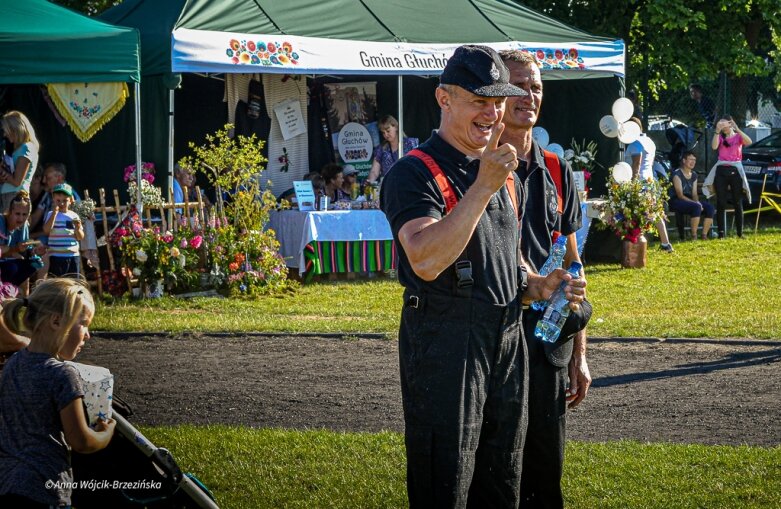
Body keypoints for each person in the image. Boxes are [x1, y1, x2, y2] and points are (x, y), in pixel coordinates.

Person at [380, 44, 585, 508]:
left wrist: (539, 286)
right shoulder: (415, 172)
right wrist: (482, 187)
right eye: (479, 100)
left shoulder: (499, 171)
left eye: (498, 101)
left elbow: (507, 265)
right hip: (446, 341)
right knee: (446, 482)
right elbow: (426, 259)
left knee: (502, 480)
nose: (492, 113)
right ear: (444, 99)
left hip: (507, 336)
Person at [499, 49, 593, 509]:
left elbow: (574, 266)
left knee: (544, 467)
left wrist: (580, 354)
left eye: (535, 86)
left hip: (548, 339)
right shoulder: (476, 165)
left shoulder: (557, 169)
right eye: (517, 85)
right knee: (494, 466)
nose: (528, 95)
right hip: (495, 335)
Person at [0, 279, 116, 507]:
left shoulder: (12, 364)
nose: (88, 335)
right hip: (45, 488)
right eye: (84, 324)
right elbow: (81, 441)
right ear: (56, 321)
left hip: (7, 484)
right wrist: (106, 433)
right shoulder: (62, 375)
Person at [624, 117, 675, 252]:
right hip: (650, 180)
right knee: (655, 212)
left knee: (636, 213)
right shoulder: (649, 141)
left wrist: (633, 185)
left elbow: (636, 164)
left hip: (639, 182)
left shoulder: (635, 142)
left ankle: (637, 244)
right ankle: (665, 243)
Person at [702, 116, 752, 238]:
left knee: (737, 201)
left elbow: (749, 142)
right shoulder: (719, 136)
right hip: (721, 170)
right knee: (721, 201)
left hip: (735, 169)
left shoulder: (738, 137)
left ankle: (740, 233)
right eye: (721, 124)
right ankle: (721, 233)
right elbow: (714, 147)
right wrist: (717, 131)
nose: (724, 126)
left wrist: (737, 129)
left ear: (730, 123)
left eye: (725, 124)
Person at [0, 191, 45, 287]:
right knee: (11, 267)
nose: (21, 218)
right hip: (5, 263)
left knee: (33, 265)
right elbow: (2, 250)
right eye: (17, 214)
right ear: (10, 211)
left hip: (7, 262)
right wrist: (15, 250)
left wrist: (35, 251)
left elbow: (25, 248)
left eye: (24, 215)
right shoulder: (1, 222)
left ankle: (10, 291)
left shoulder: (23, 225)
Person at [668, 151, 715, 240]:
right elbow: (680, 195)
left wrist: (697, 202)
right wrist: (696, 204)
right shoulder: (677, 174)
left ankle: (704, 235)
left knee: (710, 208)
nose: (693, 162)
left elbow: (694, 194)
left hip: (689, 200)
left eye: (694, 160)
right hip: (676, 201)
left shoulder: (694, 175)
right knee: (696, 207)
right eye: (690, 159)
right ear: (684, 161)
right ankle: (694, 236)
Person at [0, 111, 39, 213]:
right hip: (9, 195)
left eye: (6, 130)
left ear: (15, 129)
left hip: (16, 197)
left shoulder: (27, 147)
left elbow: (17, 181)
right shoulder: (18, 149)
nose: (4, 134)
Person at [43, 183, 84, 278]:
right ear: (53, 199)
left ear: (70, 200)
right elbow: (46, 230)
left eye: (65, 201)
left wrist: (78, 228)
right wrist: (54, 214)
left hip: (73, 255)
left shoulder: (74, 216)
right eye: (58, 200)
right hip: (56, 256)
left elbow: (80, 237)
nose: (61, 203)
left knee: (73, 283)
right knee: (58, 283)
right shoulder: (50, 214)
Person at [366, 115, 419, 184]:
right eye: (383, 132)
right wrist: (370, 181)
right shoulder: (381, 149)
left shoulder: (410, 143)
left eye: (388, 131)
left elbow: (417, 165)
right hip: (389, 186)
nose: (386, 135)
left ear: (396, 127)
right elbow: (374, 171)